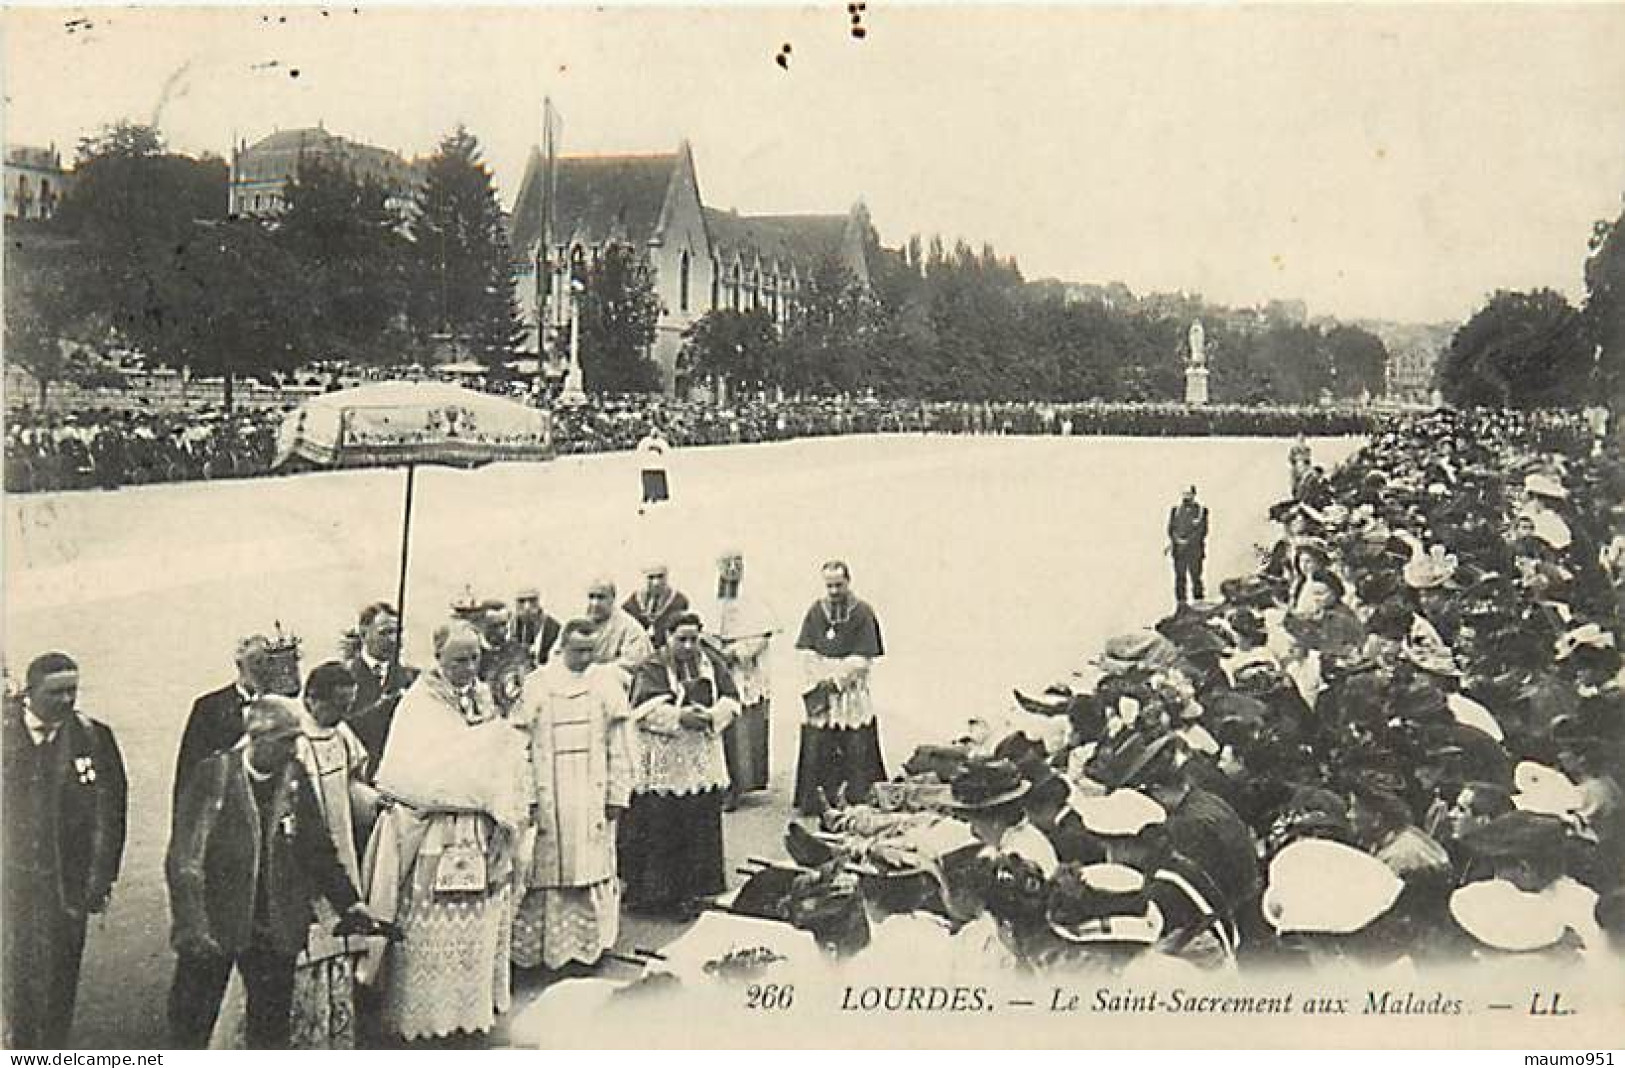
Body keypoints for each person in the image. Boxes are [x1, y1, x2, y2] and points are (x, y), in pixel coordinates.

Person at [165, 698, 377, 1050]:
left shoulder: (294, 776)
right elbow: (184, 858)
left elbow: (317, 850)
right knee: (191, 1023)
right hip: (214, 923)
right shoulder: (213, 775)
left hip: (274, 927)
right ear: (257, 739)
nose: (295, 748)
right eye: (286, 740)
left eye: (296, 739)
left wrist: (350, 903)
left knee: (270, 1027)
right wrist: (192, 926)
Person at [363, 621, 529, 1043]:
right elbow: (414, 771)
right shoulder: (419, 702)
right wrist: (481, 756)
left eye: (475, 659)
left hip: (476, 825)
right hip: (434, 828)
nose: (469, 668)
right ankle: (426, 1014)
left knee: (476, 918)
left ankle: (468, 1010)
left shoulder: (483, 697)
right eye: (459, 660)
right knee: (431, 919)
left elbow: (497, 757)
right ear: (438, 659)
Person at [2, 653, 128, 1049]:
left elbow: (112, 812)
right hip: (10, 890)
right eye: (56, 692)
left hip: (67, 889)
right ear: (30, 691)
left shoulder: (94, 737)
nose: (67, 700)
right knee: (15, 981)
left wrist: (101, 879)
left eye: (72, 690)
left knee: (61, 978)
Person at [511, 619, 634, 971]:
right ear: (562, 647)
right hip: (549, 789)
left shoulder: (605, 683)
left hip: (591, 790)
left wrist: (617, 793)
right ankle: (538, 950)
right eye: (578, 650)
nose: (585, 658)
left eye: (590, 651)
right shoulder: (538, 683)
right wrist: (528, 795)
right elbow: (520, 744)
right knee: (544, 866)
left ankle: (590, 945)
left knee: (591, 861)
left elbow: (619, 745)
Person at [622, 613, 740, 916]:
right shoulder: (652, 666)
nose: (688, 646)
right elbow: (642, 710)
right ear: (667, 638)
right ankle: (657, 896)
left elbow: (731, 698)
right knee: (664, 826)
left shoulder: (711, 663)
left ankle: (699, 892)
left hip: (700, 754)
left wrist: (712, 715)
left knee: (700, 823)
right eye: (681, 639)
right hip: (666, 757)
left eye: (694, 639)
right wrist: (679, 717)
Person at [290, 663, 377, 1048]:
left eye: (349, 705)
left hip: (341, 845)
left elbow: (354, 782)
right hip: (305, 855)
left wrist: (375, 802)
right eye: (338, 706)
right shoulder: (292, 738)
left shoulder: (341, 733)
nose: (344, 715)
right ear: (312, 699)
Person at [793, 560, 887, 814]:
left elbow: (864, 658)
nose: (834, 591)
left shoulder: (863, 612)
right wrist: (820, 677)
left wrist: (838, 680)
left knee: (855, 737)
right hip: (821, 685)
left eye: (839, 585)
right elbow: (807, 650)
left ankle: (857, 796)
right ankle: (815, 800)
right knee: (819, 738)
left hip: (849, 688)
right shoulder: (816, 610)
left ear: (848, 582)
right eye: (829, 586)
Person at [174, 634, 276, 809]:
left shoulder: (280, 707)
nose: (262, 670)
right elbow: (190, 770)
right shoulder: (209, 707)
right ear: (239, 664)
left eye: (269, 663)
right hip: (226, 809)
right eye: (255, 662)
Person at [708, 549, 776, 807]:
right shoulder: (712, 600)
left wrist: (736, 652)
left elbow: (762, 635)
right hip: (719, 669)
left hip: (745, 670)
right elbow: (705, 630)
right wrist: (716, 650)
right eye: (726, 566)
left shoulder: (755, 601)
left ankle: (741, 785)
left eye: (736, 566)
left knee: (743, 730)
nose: (731, 572)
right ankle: (722, 785)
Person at [344, 603, 420, 773]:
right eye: (385, 633)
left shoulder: (412, 679)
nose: (393, 640)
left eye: (397, 632)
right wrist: (381, 708)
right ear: (364, 635)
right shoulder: (344, 678)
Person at [554, 577, 655, 687]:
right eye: (591, 597)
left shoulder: (631, 628)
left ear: (612, 599)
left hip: (612, 686)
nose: (595, 603)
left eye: (601, 597)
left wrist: (595, 671)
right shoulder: (574, 623)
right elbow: (556, 655)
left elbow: (635, 664)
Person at [623, 562, 691, 650]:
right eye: (651, 577)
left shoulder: (679, 602)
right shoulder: (632, 603)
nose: (656, 583)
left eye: (660, 577)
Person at [1167, 486, 1209, 605]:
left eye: (1189, 494)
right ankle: (1181, 604)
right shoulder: (1175, 511)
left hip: (1194, 551)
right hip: (1179, 552)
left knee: (1196, 577)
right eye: (1184, 494)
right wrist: (1177, 540)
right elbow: (1171, 529)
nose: (1186, 497)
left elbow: (1202, 531)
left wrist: (1188, 541)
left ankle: (1199, 603)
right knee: (1180, 579)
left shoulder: (1201, 511)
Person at [511, 587, 561, 668]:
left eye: (532, 601)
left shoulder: (555, 630)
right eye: (521, 601)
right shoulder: (508, 627)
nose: (527, 607)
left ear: (540, 602)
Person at [636, 425, 671, 512]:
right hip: (647, 466)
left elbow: (667, 452)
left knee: (658, 482)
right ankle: (648, 496)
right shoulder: (645, 441)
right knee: (648, 483)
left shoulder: (662, 442)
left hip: (659, 466)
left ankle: (658, 496)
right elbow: (639, 451)